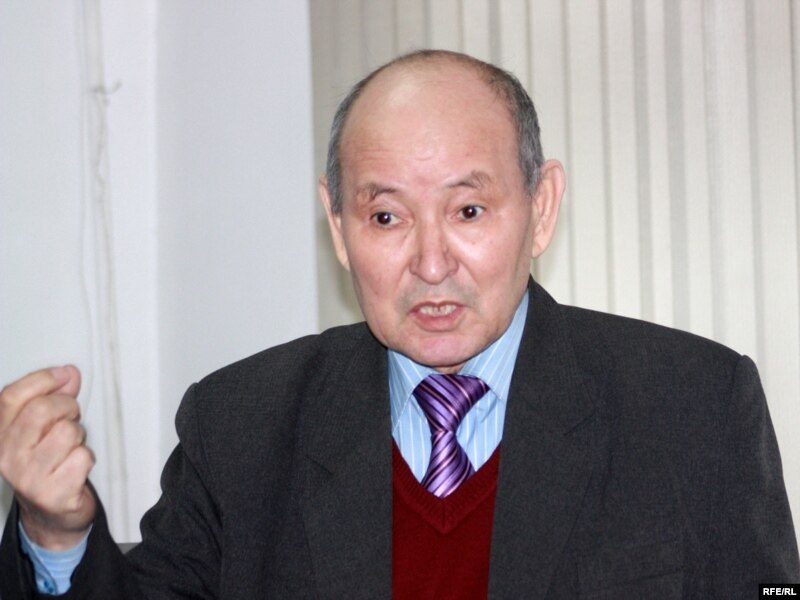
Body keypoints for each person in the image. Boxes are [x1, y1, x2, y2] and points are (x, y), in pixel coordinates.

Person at [0, 49, 798, 599]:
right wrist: (56, 535)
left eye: (469, 210)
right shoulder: (241, 425)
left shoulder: (693, 403)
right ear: (339, 227)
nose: (431, 263)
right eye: (386, 216)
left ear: (542, 206)